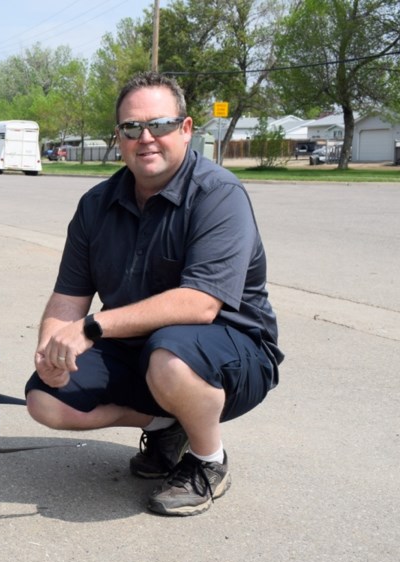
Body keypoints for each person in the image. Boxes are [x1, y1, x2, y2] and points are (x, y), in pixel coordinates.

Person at [24, 72, 283, 516]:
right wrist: (51, 349)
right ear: (118, 138)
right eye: (131, 128)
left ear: (185, 129)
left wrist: (91, 328)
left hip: (235, 353)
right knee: (45, 402)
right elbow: (69, 295)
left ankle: (208, 461)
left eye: (159, 124)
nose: (145, 138)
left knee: (170, 357)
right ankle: (169, 424)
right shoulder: (96, 204)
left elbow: (200, 304)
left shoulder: (219, 194)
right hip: (142, 351)